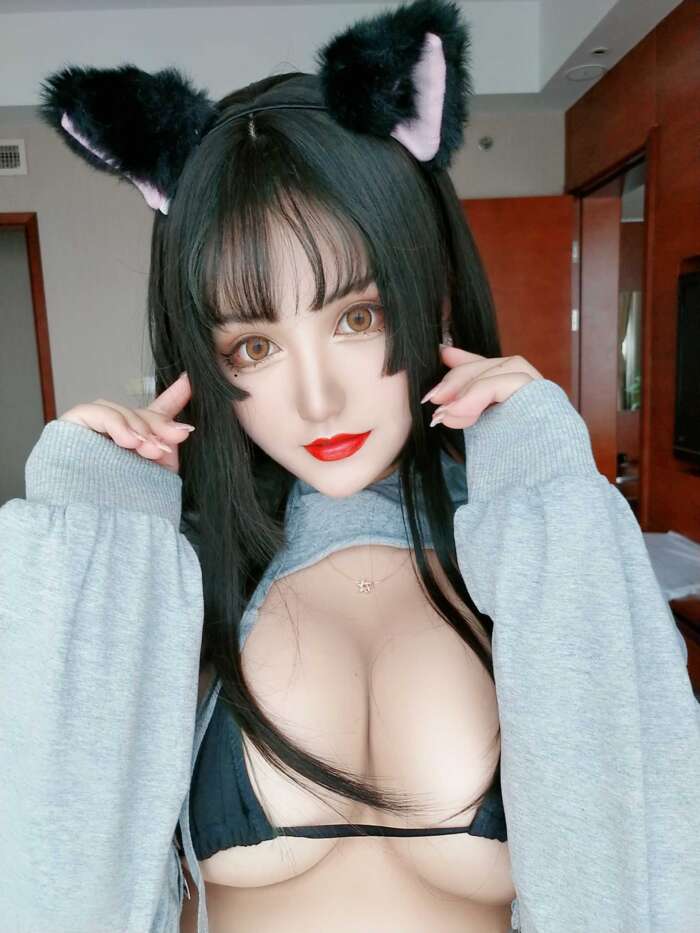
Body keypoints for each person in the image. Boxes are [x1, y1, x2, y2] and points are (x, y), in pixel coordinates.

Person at [2, 1, 698, 931]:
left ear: (431, 290)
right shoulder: (179, 574)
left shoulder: (528, 548)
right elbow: (55, 880)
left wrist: (551, 494)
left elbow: (649, 864)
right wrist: (90, 537)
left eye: (357, 317)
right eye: (253, 346)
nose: (318, 398)